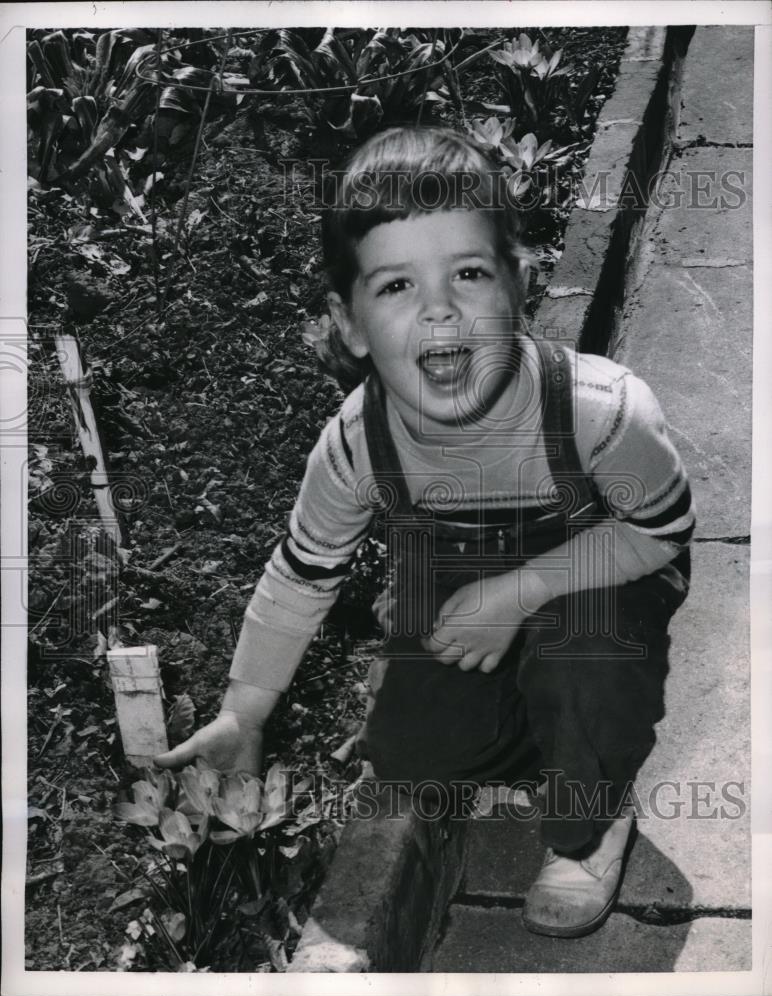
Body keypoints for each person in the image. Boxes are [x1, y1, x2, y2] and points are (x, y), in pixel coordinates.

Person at [156, 126, 694, 938]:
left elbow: (661, 533)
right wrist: (245, 712)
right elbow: (304, 574)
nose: (439, 308)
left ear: (519, 283)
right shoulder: (355, 444)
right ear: (350, 323)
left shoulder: (601, 414)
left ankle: (589, 820)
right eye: (397, 285)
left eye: (469, 273)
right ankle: (542, 731)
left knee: (586, 657)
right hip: (457, 572)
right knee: (414, 758)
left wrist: (518, 592)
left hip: (602, 572)